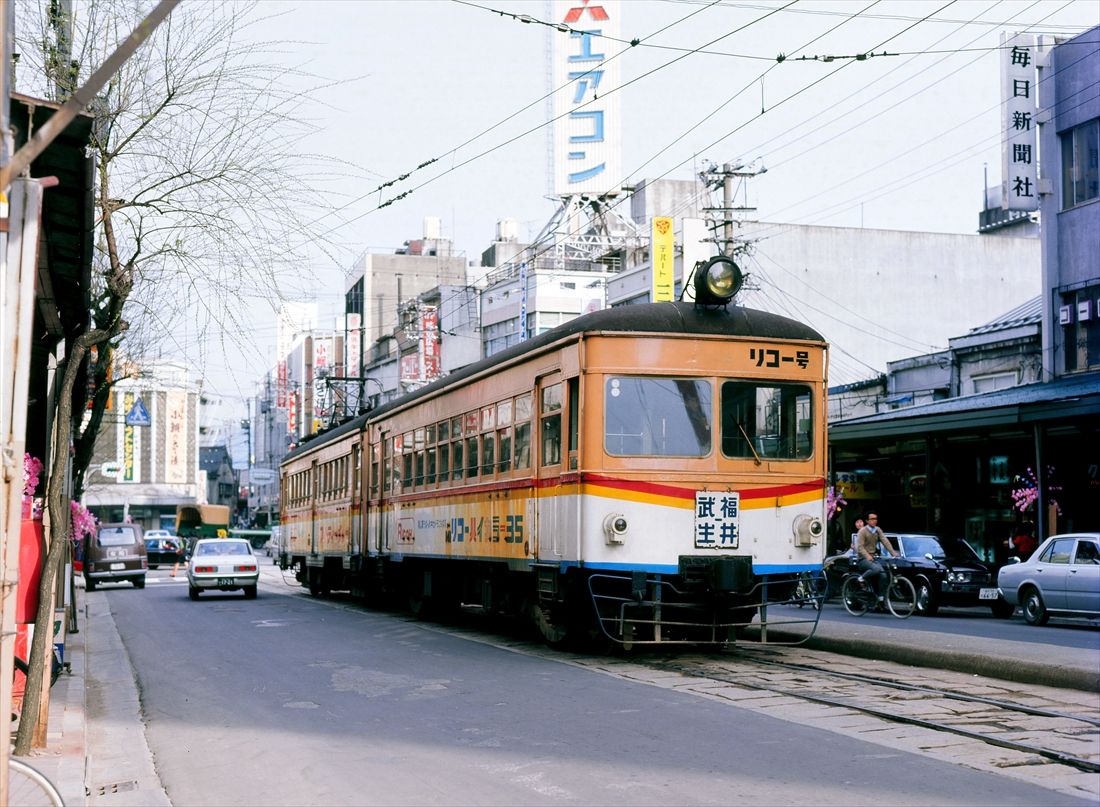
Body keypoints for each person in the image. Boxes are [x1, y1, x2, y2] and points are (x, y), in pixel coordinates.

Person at [855, 513, 899, 606]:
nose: (874, 520)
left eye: (875, 519)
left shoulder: (877, 530)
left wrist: (893, 552)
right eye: (872, 519)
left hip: (873, 558)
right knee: (876, 569)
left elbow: (885, 541)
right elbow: (859, 547)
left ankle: (880, 598)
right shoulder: (862, 531)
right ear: (867, 521)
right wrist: (867, 556)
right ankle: (861, 579)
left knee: (883, 575)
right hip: (863, 559)